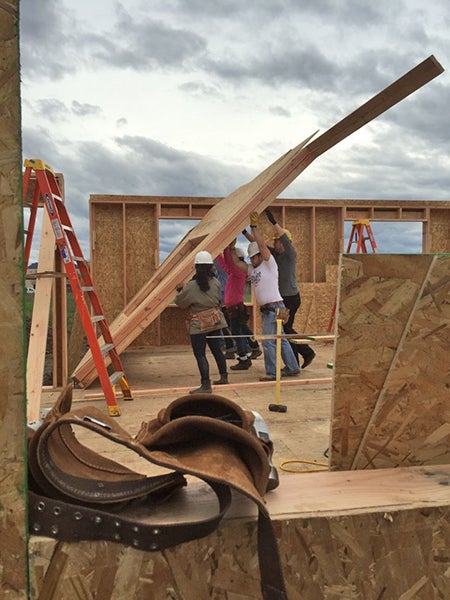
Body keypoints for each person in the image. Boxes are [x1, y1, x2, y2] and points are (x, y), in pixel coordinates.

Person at [231, 212, 300, 381]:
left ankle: (271, 373)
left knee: (269, 342)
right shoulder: (252, 269)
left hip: (274, 307)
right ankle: (292, 367)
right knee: (281, 340)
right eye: (251, 258)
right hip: (271, 309)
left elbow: (261, 245)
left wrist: (253, 227)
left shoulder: (270, 264)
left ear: (260, 256)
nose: (252, 260)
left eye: (254, 257)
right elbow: (237, 263)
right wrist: (231, 247)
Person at [244, 209, 316, 369]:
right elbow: (258, 245)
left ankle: (305, 353)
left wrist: (274, 222)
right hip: (283, 298)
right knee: (284, 329)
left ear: (283, 243)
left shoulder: (290, 254)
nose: (275, 243)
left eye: (277, 241)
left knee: (285, 329)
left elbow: (283, 238)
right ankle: (298, 359)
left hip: (291, 297)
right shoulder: (275, 255)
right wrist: (245, 232)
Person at [175, 250, 229, 393]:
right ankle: (224, 376)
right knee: (217, 349)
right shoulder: (216, 283)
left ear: (197, 267)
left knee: (200, 354)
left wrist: (181, 291)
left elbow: (180, 302)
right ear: (211, 266)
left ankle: (206, 385)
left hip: (199, 324)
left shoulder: (191, 286)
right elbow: (216, 298)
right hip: (215, 321)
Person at [215, 241, 262, 370]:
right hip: (235, 307)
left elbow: (229, 263)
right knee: (242, 331)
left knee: (238, 333)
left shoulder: (237, 271)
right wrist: (218, 251)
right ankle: (253, 348)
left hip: (236, 307)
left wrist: (228, 248)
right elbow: (224, 265)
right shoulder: (234, 272)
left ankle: (244, 359)